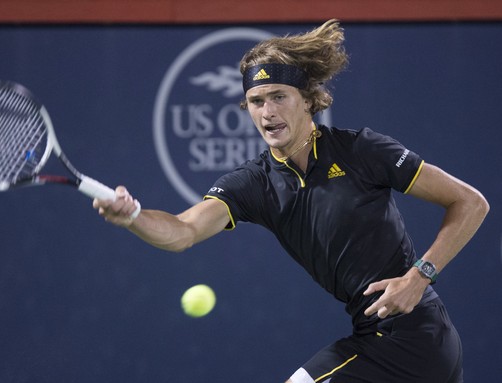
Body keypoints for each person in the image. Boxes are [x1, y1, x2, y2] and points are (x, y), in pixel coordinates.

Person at [93, 20, 489, 383]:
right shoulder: (254, 183)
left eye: (279, 96)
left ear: (308, 99)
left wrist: (419, 276)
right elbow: (182, 231)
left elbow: (471, 203)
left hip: (415, 337)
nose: (267, 112)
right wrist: (134, 217)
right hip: (378, 337)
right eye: (256, 100)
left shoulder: (362, 150)